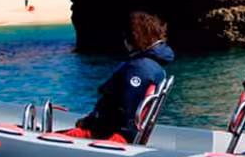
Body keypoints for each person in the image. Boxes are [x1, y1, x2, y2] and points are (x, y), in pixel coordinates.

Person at [64, 11, 174, 142]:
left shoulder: (137, 69)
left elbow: (127, 112)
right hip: (110, 130)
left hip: (110, 135)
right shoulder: (155, 68)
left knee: (57, 137)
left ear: (132, 38)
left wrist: (91, 123)